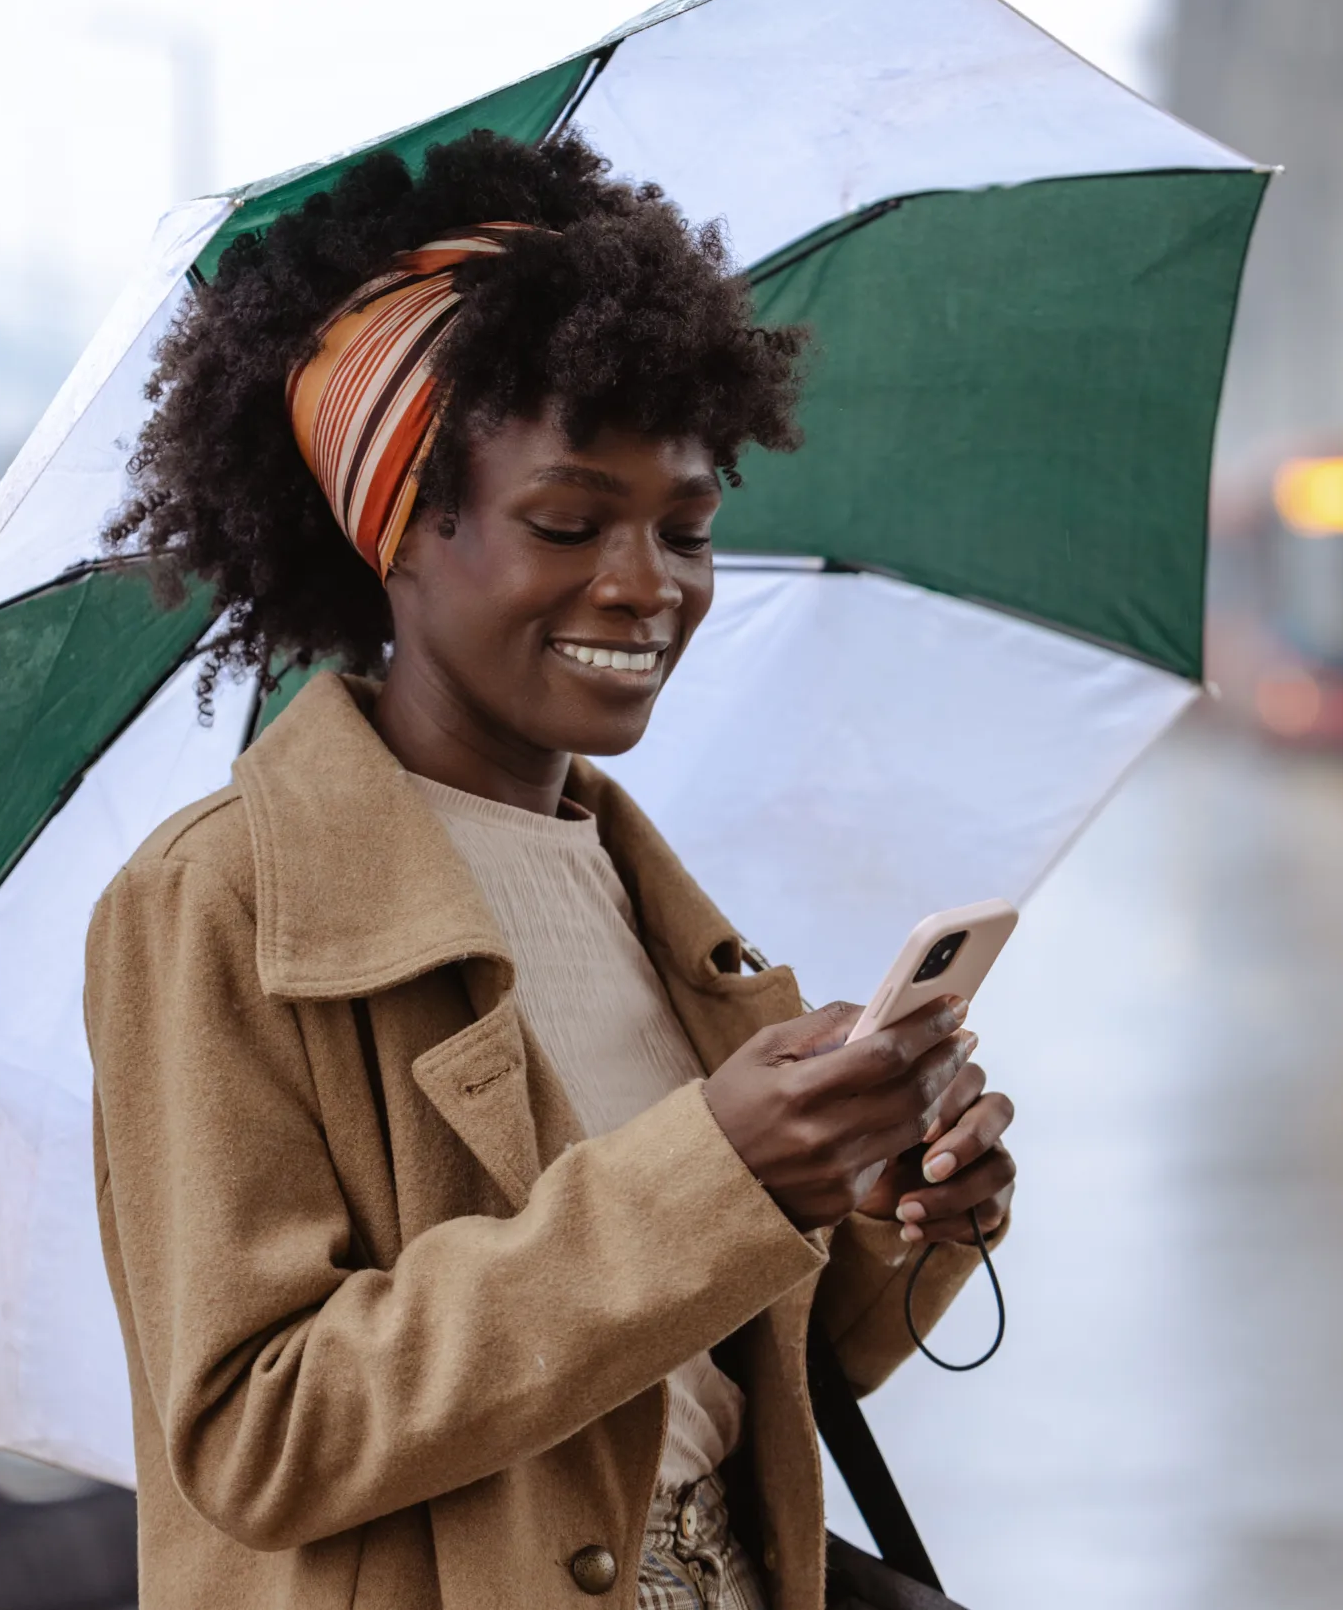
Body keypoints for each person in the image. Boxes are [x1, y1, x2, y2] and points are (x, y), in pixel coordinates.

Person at [83, 130, 1017, 1610]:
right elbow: (261, 1431)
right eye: (570, 523)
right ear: (398, 529)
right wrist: (717, 1167)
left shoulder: (645, 900)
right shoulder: (223, 905)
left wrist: (897, 1216)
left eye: (689, 527)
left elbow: (721, 1383)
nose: (649, 584)